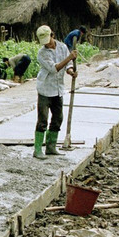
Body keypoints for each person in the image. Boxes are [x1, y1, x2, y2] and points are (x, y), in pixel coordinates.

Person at [33, 25, 78, 160]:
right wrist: (69, 58)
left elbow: (66, 67)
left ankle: (51, 147)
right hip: (45, 89)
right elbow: (54, 68)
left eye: (48, 40)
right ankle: (37, 149)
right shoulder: (42, 53)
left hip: (58, 89)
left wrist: (71, 71)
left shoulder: (63, 47)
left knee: (58, 118)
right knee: (42, 120)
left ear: (52, 35)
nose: (47, 43)